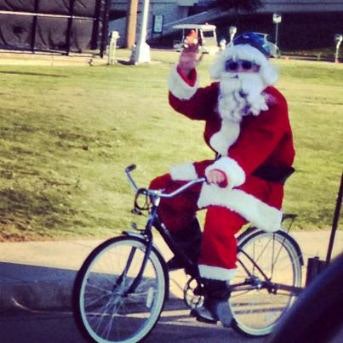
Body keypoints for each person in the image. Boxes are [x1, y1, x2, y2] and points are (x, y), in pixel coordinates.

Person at [149, 32, 295, 327]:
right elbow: (188, 104)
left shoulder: (272, 103)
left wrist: (225, 172)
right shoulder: (221, 92)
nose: (239, 71)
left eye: (248, 65)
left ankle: (217, 296)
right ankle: (194, 258)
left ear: (261, 68)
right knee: (165, 189)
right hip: (226, 170)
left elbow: (256, 146)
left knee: (220, 217)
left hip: (258, 179)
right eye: (233, 64)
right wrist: (187, 68)